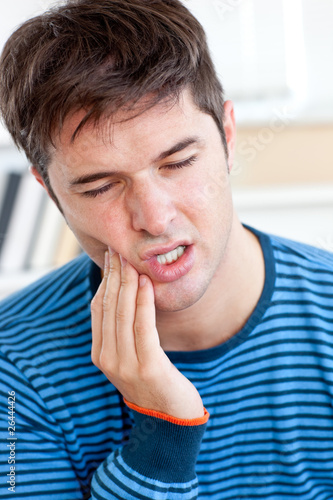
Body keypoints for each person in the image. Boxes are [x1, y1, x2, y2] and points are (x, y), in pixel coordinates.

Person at [0, 0, 333, 498]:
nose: (155, 218)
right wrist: (164, 437)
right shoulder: (12, 370)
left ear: (227, 135)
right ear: (50, 192)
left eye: (178, 163)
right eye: (99, 188)